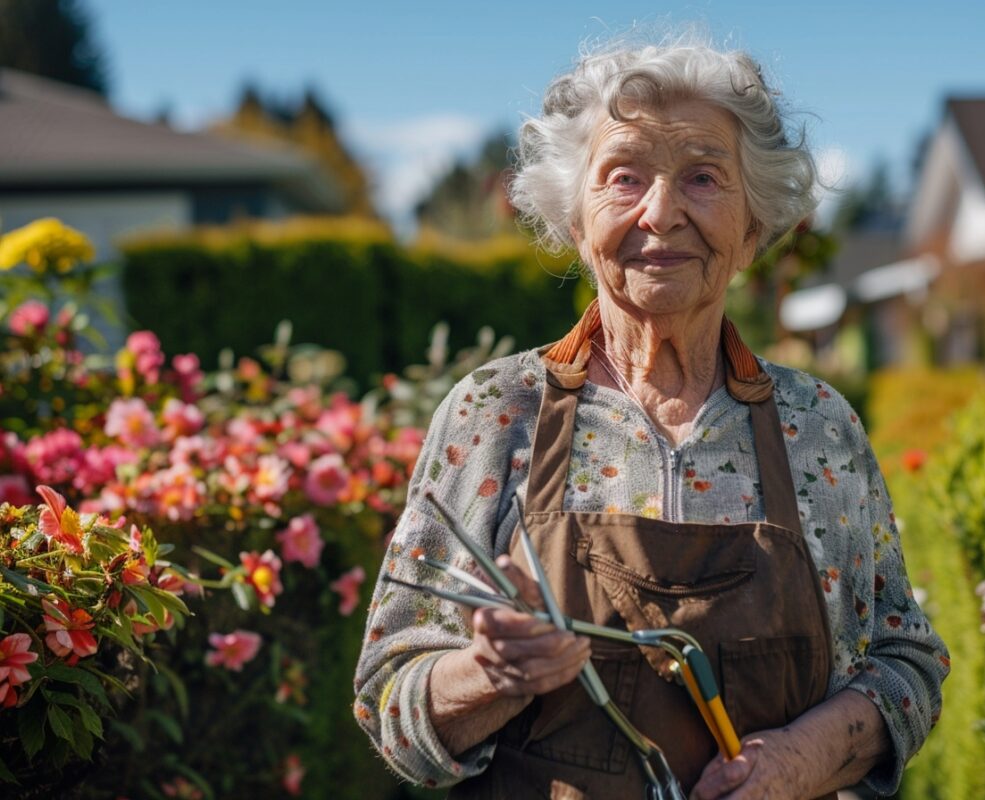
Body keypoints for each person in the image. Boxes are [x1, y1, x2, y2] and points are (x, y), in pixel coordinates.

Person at [354, 34, 949, 800]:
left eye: (703, 178)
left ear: (753, 228)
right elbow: (387, 699)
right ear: (576, 220)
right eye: (623, 177)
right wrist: (492, 674)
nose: (660, 213)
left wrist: (801, 762)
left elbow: (906, 661)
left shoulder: (819, 427)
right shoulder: (495, 413)